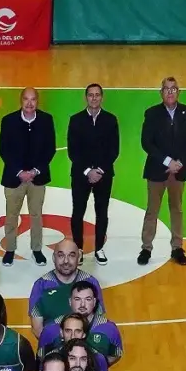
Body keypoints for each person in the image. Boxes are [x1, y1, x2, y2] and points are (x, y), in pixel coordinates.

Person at [138, 77, 186, 268]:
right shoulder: (152, 113)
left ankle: (177, 247)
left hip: (179, 171)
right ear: (161, 92)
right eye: (166, 89)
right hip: (157, 170)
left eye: (174, 89)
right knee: (152, 211)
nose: (170, 92)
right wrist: (167, 161)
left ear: (178, 92)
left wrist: (178, 162)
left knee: (177, 209)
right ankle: (146, 248)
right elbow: (147, 142)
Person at [0, 87, 57, 265]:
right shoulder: (8, 121)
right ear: (21, 101)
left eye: (33, 99)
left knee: (36, 215)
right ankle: (10, 249)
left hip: (37, 178)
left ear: (37, 101)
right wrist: (19, 172)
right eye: (26, 99)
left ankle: (37, 249)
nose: (30, 103)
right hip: (13, 178)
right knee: (11, 215)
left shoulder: (47, 120)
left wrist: (34, 171)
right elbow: (4, 150)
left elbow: (50, 149)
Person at [66, 83, 120, 262]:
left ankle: (99, 248)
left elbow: (114, 150)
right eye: (91, 95)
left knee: (101, 212)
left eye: (97, 95)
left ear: (102, 97)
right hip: (81, 176)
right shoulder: (75, 120)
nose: (94, 98)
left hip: (104, 176)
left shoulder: (111, 120)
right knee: (78, 212)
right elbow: (73, 151)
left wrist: (100, 171)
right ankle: (78, 249)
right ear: (86, 97)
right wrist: (88, 171)